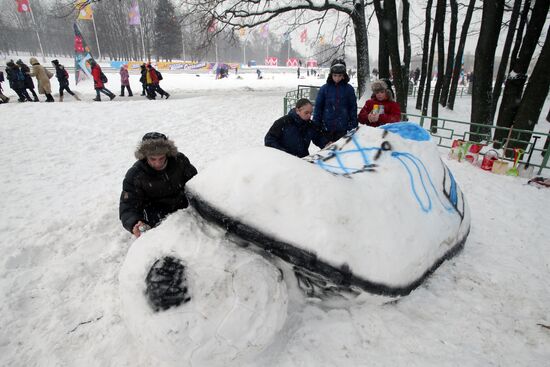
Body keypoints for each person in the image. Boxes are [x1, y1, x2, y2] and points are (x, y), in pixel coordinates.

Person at [119, 132, 198, 237]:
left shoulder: (179, 161)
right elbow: (128, 205)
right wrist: (135, 222)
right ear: (145, 156)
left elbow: (195, 181)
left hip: (185, 206)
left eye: (161, 158)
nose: (158, 163)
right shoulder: (135, 175)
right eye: (153, 159)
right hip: (156, 214)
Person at [265, 98, 329, 158]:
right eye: (306, 113)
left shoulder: (310, 125)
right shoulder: (283, 122)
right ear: (297, 111)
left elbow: (318, 137)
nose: (309, 115)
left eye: (311, 113)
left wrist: (326, 144)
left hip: (303, 160)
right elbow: (269, 140)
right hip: (284, 161)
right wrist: (284, 153)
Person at [312, 59, 357, 142]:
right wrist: (316, 125)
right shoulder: (324, 89)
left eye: (340, 76)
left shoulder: (349, 89)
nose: (337, 78)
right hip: (326, 128)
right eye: (335, 75)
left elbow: (352, 108)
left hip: (343, 129)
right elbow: (318, 108)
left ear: (344, 75)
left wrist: (353, 125)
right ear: (331, 75)